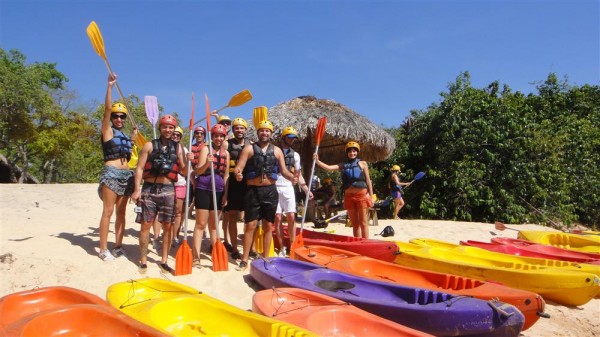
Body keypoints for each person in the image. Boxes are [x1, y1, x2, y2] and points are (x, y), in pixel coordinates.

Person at [233, 120, 297, 270]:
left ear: (271, 133)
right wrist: (238, 174)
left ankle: (266, 257)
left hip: (270, 191)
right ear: (257, 132)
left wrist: (292, 177)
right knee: (250, 225)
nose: (264, 133)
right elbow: (239, 167)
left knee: (269, 225)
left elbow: (284, 171)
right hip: (253, 191)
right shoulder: (249, 149)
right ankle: (244, 259)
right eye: (262, 130)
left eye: (267, 131)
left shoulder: (277, 151)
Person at [131, 115, 186, 275]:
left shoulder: (178, 148)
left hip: (169, 190)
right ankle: (143, 260)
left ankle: (164, 261)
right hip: (149, 189)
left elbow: (182, 170)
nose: (168, 130)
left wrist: (188, 162)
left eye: (171, 127)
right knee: (145, 225)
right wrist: (136, 189)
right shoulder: (149, 145)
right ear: (160, 127)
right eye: (165, 127)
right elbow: (140, 168)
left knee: (168, 227)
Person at [97, 73, 136, 261]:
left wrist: (134, 138)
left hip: (126, 176)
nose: (119, 119)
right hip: (111, 174)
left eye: (122, 117)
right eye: (116, 116)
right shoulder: (107, 131)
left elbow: (131, 154)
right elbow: (106, 109)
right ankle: (103, 249)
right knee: (108, 211)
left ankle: (118, 246)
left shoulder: (126, 136)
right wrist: (110, 86)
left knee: (121, 213)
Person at [188, 124, 230, 268]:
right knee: (200, 224)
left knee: (214, 226)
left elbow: (226, 176)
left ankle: (216, 254)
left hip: (218, 191)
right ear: (212, 137)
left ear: (224, 138)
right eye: (216, 136)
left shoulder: (226, 153)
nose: (218, 138)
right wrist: (207, 163)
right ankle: (196, 256)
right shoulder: (206, 149)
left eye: (221, 136)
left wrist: (226, 194)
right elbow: (198, 171)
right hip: (203, 188)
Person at [314, 141, 374, 238]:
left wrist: (371, 196)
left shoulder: (363, 163)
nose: (352, 153)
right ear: (347, 153)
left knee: (363, 223)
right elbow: (329, 168)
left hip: (361, 195)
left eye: (354, 151)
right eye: (350, 151)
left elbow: (368, 180)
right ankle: (357, 243)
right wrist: (317, 161)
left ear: (357, 152)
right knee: (355, 224)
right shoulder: (343, 165)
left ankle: (366, 243)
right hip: (349, 197)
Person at [273, 126, 312, 256]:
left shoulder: (295, 155)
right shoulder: (273, 151)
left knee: (291, 216)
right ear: (283, 137)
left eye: (293, 138)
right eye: (289, 137)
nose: (291, 140)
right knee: (277, 218)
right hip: (274, 186)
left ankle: (292, 244)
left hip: (288, 187)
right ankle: (282, 246)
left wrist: (306, 189)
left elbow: (297, 175)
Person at [222, 117, 250, 260]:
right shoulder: (227, 144)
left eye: (242, 128)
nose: (239, 130)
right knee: (232, 216)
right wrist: (225, 193)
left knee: (249, 218)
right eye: (236, 128)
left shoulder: (250, 145)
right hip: (232, 183)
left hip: (247, 184)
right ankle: (234, 248)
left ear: (246, 130)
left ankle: (249, 247)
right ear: (233, 130)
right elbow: (226, 170)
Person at [171, 127, 188, 246]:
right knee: (163, 212)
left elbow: (186, 169)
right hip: (166, 183)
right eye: (174, 134)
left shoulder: (185, 150)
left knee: (178, 212)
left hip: (180, 183)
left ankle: (175, 236)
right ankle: (159, 237)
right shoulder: (163, 147)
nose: (175, 136)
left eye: (178, 135)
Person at [187, 126, 206, 219]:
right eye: (197, 133)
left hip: (203, 175)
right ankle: (188, 213)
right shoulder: (190, 147)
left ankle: (193, 213)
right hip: (192, 174)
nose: (199, 135)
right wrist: (192, 180)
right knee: (190, 197)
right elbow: (189, 166)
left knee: (199, 197)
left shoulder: (207, 146)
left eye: (201, 133)